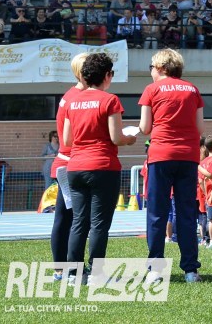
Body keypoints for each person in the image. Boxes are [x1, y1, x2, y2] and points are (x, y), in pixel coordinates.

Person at [62, 53, 137, 283]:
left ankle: (73, 274)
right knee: (99, 225)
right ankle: (96, 273)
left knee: (78, 222)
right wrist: (130, 139)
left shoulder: (72, 101)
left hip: (76, 166)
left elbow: (67, 139)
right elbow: (116, 138)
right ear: (106, 75)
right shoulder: (110, 100)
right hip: (103, 166)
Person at [139, 49, 205, 283]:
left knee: (157, 213)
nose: (150, 71)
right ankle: (190, 270)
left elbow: (145, 128)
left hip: (161, 154)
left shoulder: (152, 90)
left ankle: (155, 270)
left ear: (161, 67)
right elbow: (200, 129)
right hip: (188, 155)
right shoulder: (192, 89)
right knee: (186, 212)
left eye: (151, 67)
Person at [50, 53, 87, 281]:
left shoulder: (70, 95)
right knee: (71, 219)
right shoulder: (77, 97)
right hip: (70, 163)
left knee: (67, 218)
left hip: (67, 163)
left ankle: (64, 267)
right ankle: (66, 268)